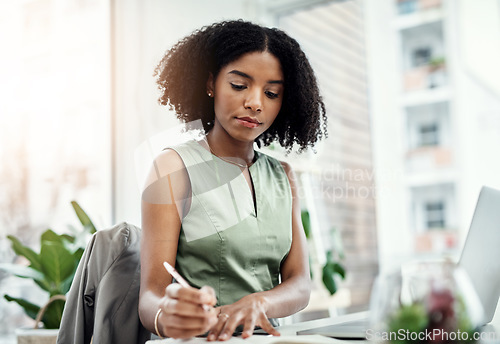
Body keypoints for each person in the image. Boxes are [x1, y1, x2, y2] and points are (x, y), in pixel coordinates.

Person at [139, 20, 328, 341]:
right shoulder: (171, 167)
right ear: (211, 83)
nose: (255, 103)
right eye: (240, 86)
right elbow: (150, 296)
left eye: (271, 93)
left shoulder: (283, 175)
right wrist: (166, 316)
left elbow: (300, 284)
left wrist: (259, 302)